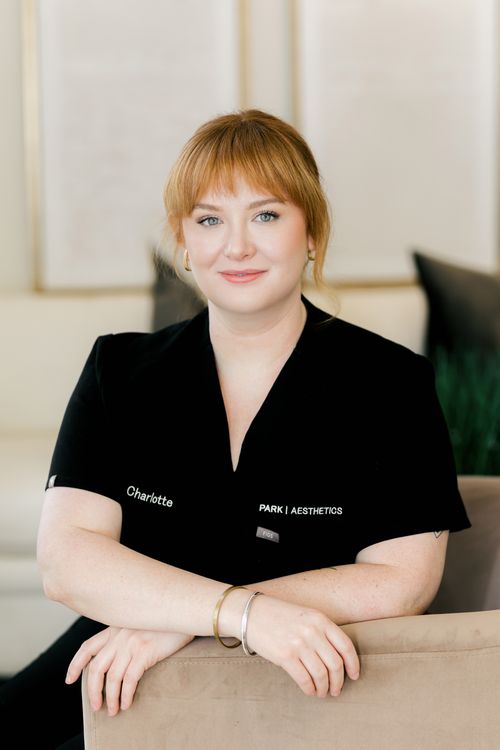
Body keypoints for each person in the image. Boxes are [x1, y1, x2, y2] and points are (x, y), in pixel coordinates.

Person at [0, 108, 471, 748]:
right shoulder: (119, 369)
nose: (237, 245)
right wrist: (235, 613)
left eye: (266, 215)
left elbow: (403, 580)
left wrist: (186, 624)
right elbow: (67, 561)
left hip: (298, 684)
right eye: (209, 220)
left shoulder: (392, 381)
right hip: (115, 665)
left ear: (312, 232)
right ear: (183, 240)